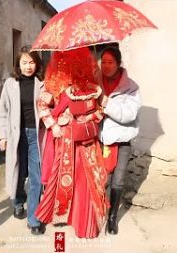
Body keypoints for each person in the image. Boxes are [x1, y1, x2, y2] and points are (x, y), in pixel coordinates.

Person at [35, 47, 108, 239]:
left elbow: (101, 107)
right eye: (67, 60)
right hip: (65, 138)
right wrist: (53, 125)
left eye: (77, 59)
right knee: (67, 176)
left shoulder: (91, 82)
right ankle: (65, 216)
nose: (71, 63)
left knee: (86, 178)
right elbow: (41, 104)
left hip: (85, 138)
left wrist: (89, 118)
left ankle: (85, 222)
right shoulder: (56, 81)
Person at [0, 45, 45, 235]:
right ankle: (17, 201)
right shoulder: (10, 84)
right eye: (24, 62)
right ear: (18, 64)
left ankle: (34, 219)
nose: (28, 66)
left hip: (36, 135)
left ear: (37, 64)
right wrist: (2, 136)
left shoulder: (43, 83)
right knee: (19, 171)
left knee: (36, 176)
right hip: (16, 135)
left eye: (32, 62)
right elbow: (2, 112)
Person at [99, 46, 141, 235]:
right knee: (100, 179)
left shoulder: (131, 87)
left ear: (119, 64)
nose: (106, 66)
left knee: (118, 179)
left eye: (110, 62)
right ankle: (98, 212)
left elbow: (129, 115)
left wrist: (107, 103)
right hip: (100, 140)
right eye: (103, 62)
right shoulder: (95, 82)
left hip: (122, 140)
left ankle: (113, 217)